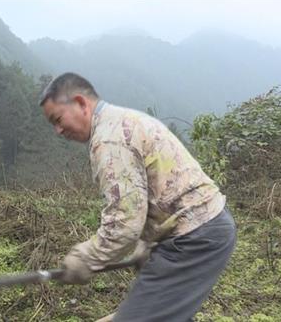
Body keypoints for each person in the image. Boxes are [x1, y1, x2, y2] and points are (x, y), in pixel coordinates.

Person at [39, 72, 236, 321]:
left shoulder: (110, 139)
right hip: (200, 231)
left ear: (80, 103)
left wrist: (85, 258)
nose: (58, 131)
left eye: (58, 119)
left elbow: (124, 222)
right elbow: (156, 191)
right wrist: (149, 242)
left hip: (195, 238)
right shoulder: (122, 121)